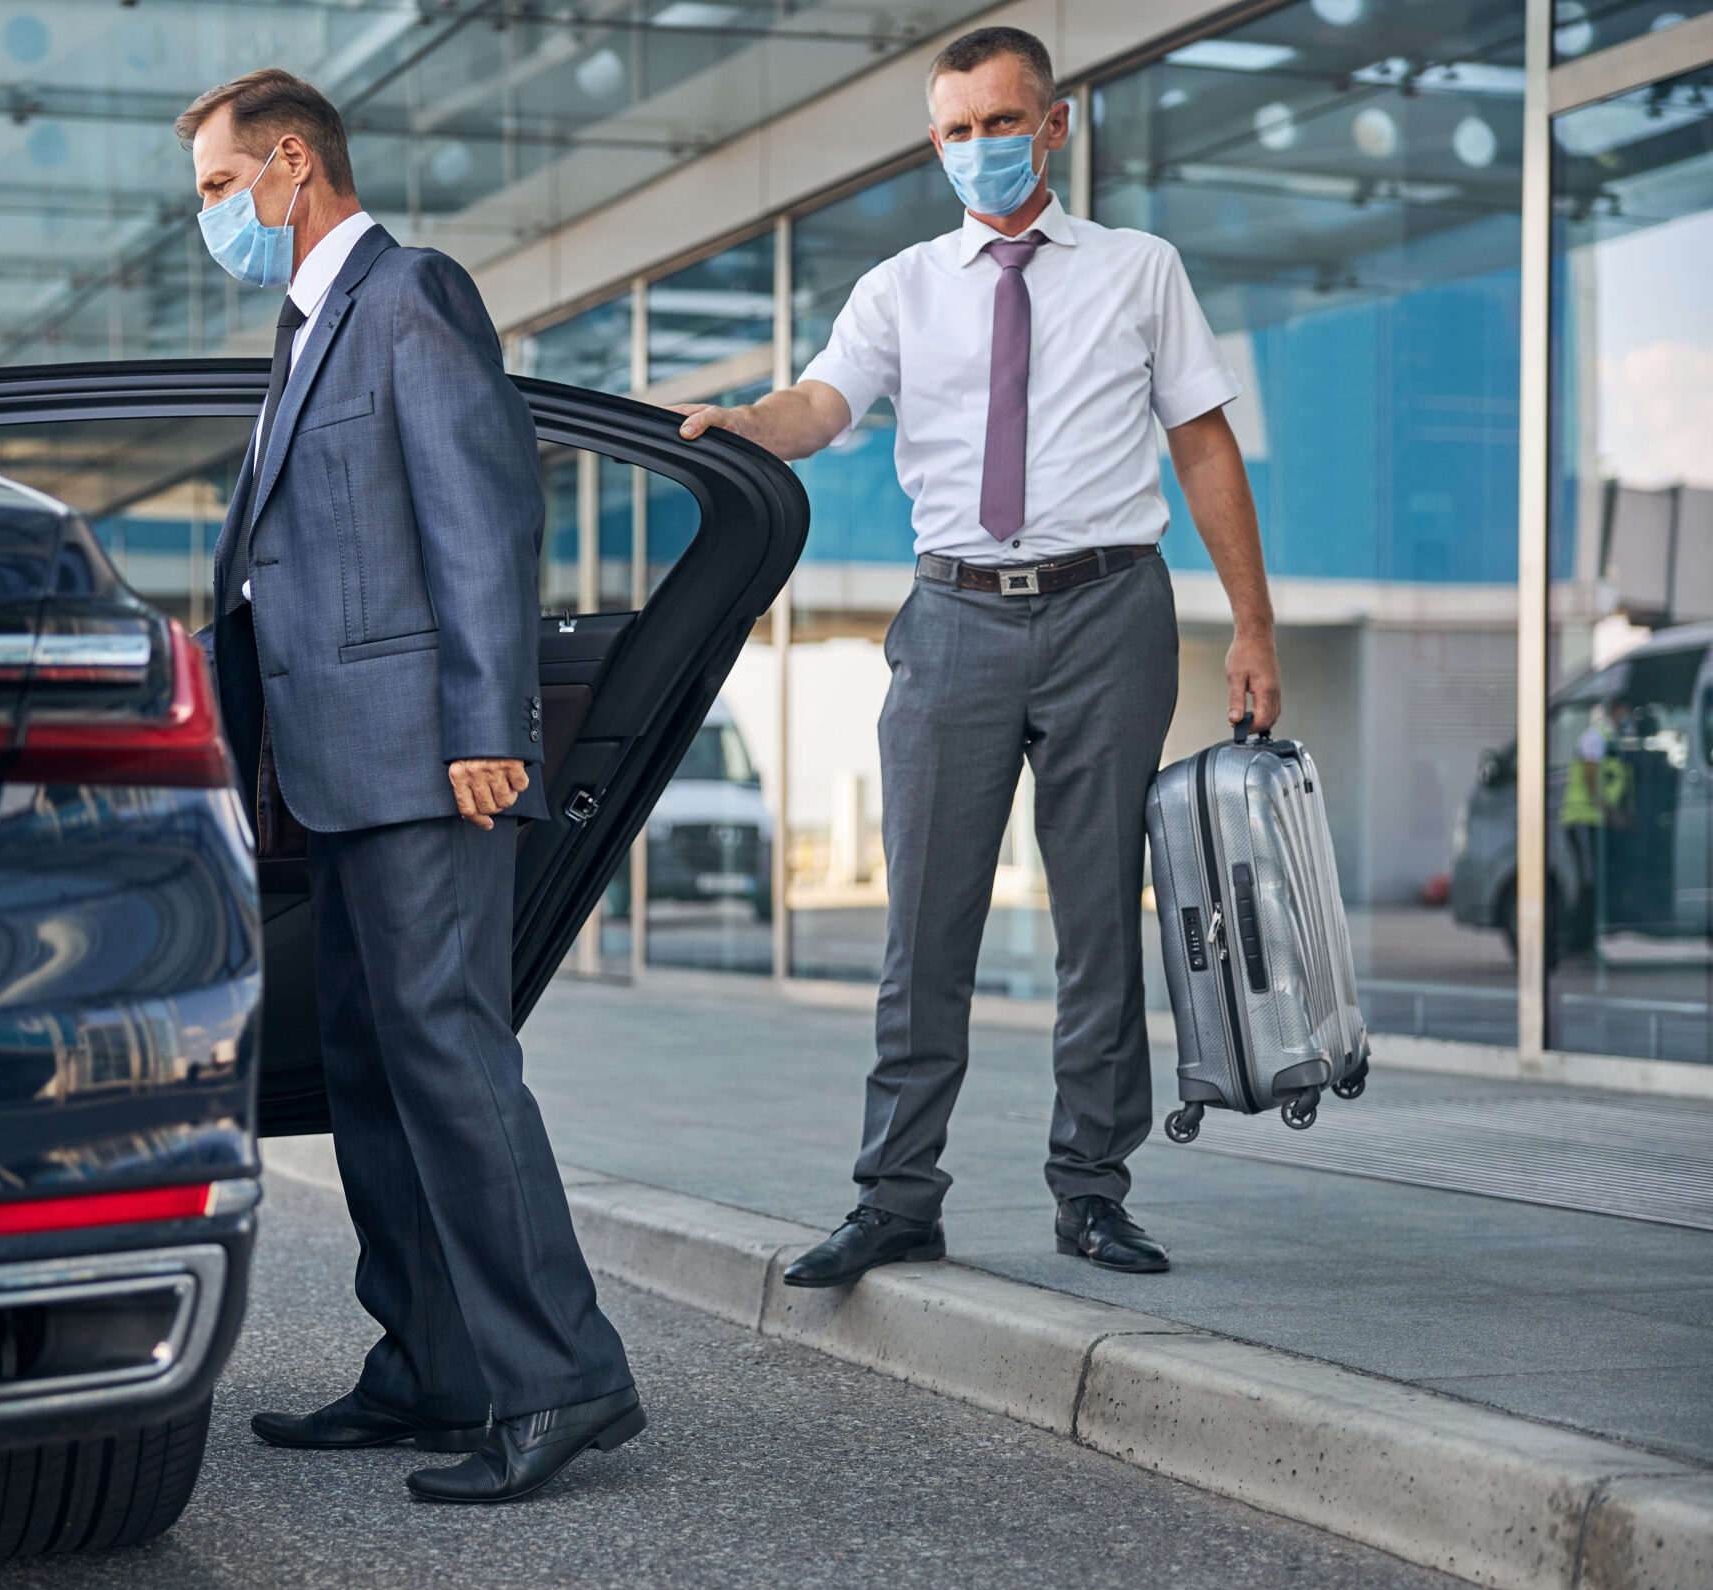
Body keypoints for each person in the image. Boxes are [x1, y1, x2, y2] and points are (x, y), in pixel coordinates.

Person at [677, 26, 1283, 1282]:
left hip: (1109, 610)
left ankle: (1091, 1190)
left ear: (1051, 127)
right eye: (955, 131)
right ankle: (897, 1196)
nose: (977, 150)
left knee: (1096, 927)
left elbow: (1205, 448)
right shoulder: (901, 287)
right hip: (951, 617)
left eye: (999, 124)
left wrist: (1254, 626)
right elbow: (820, 404)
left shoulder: (1138, 271)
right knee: (926, 926)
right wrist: (746, 421)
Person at [175, 69, 642, 1503]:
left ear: (291, 163)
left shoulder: (410, 297)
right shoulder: (305, 328)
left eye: (215, 188)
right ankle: (432, 1361)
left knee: (449, 1056)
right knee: (372, 1065)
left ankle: (563, 1376)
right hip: (334, 767)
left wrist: (490, 721)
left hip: (431, 756)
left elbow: (481, 512)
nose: (210, 218)